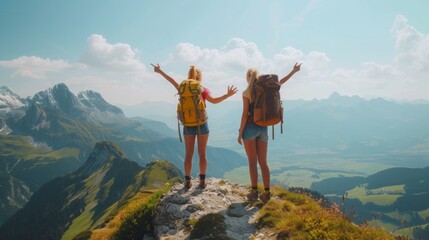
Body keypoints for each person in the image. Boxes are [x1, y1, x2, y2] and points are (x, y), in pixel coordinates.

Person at [152, 63, 238, 189]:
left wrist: (160, 71)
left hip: (187, 124)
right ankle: (202, 181)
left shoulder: (182, 87)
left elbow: (172, 81)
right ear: (199, 77)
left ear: (189, 76)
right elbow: (214, 101)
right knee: (202, 154)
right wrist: (227, 95)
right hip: (202, 124)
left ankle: (187, 181)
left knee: (188, 154)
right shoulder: (202, 88)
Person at [237, 63, 302, 202]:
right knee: (263, 162)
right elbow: (281, 82)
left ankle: (254, 193)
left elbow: (244, 114)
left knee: (252, 162)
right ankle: (266, 194)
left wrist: (240, 132)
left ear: (248, 77)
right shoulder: (266, 89)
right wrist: (293, 71)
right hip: (263, 128)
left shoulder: (246, 92)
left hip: (249, 128)